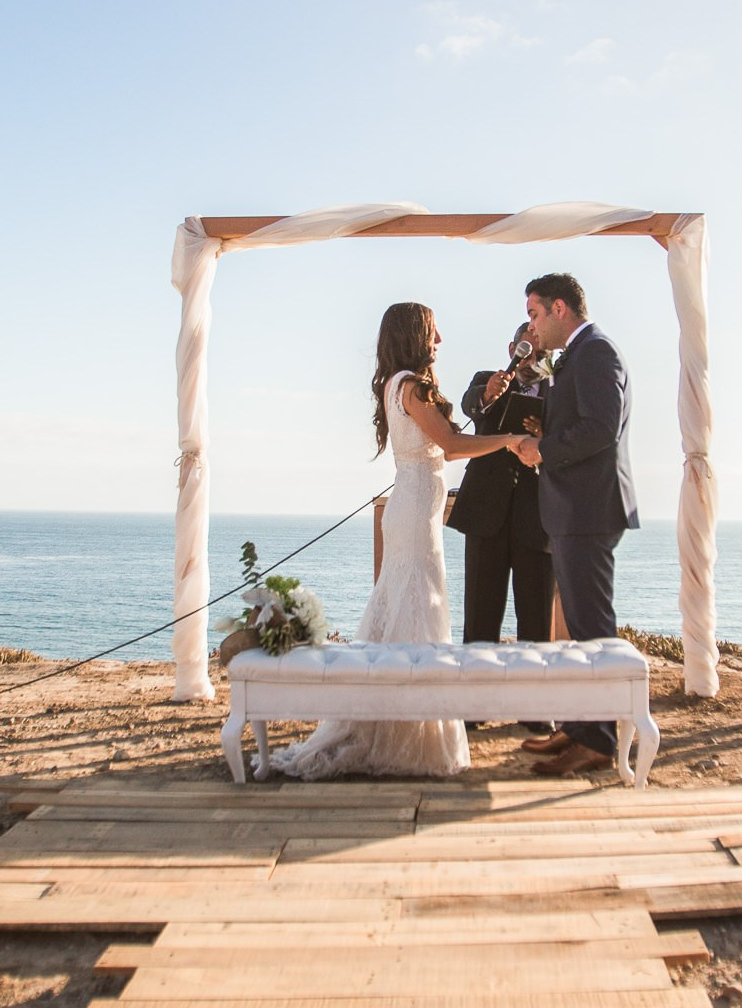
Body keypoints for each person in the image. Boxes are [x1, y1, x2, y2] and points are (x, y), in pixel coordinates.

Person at [268, 302, 524, 780]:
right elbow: (451, 447)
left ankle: (402, 718)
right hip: (412, 514)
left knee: (409, 607)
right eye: (433, 330)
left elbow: (437, 444)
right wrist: (509, 439)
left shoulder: (396, 383)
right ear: (414, 334)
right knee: (416, 609)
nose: (440, 340)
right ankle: (408, 733)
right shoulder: (412, 385)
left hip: (412, 505)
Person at [509, 272, 639, 777]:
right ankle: (581, 727)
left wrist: (543, 448)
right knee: (580, 631)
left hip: (588, 509)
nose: (532, 326)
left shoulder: (597, 353)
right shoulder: (579, 356)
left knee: (592, 633)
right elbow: (583, 424)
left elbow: (602, 430)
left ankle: (600, 743)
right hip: (575, 509)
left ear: (560, 308)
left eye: (535, 314)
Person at [451, 322, 555, 648]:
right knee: (480, 623)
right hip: (486, 515)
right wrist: (487, 394)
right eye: (525, 354)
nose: (531, 362)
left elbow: (575, 444)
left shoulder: (562, 393)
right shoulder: (487, 381)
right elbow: (471, 405)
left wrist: (546, 435)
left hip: (539, 519)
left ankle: (536, 696)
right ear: (513, 351)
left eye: (540, 356)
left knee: (536, 627)